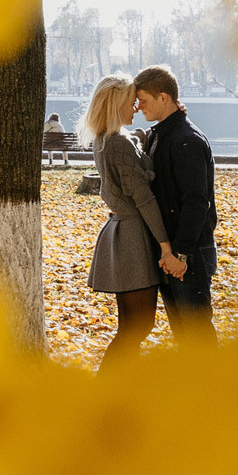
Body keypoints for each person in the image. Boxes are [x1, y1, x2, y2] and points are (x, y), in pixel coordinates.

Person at [80, 75, 183, 370]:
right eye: (130, 101)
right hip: (134, 239)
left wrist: (140, 139)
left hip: (121, 234)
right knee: (137, 327)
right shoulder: (119, 144)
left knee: (130, 327)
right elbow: (144, 198)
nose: (136, 107)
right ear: (116, 104)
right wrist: (165, 246)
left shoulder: (104, 139)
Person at [133, 64, 219, 345]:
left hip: (189, 251)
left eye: (143, 100)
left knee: (197, 334)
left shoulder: (186, 140)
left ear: (163, 97)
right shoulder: (161, 135)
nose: (138, 106)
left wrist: (180, 255)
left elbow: (197, 203)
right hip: (172, 251)